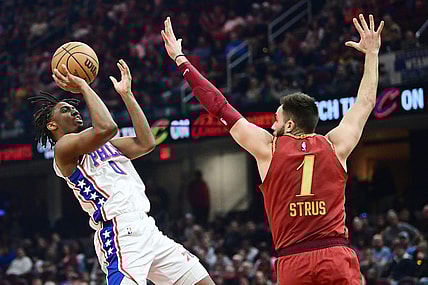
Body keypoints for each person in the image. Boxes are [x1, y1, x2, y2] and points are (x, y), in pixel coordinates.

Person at [162, 14, 384, 284]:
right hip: (335, 256)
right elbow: (366, 102)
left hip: (294, 260)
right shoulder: (336, 145)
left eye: (276, 119)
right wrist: (372, 54)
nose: (272, 125)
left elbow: (219, 106)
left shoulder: (269, 149)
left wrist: (181, 60)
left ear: (290, 124)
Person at [29, 60, 215, 285]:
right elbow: (107, 127)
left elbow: (146, 143)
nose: (74, 110)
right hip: (119, 233)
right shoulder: (64, 149)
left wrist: (127, 95)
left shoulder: (105, 145)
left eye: (73, 106)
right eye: (65, 110)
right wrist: (84, 87)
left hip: (147, 228)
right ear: (52, 126)